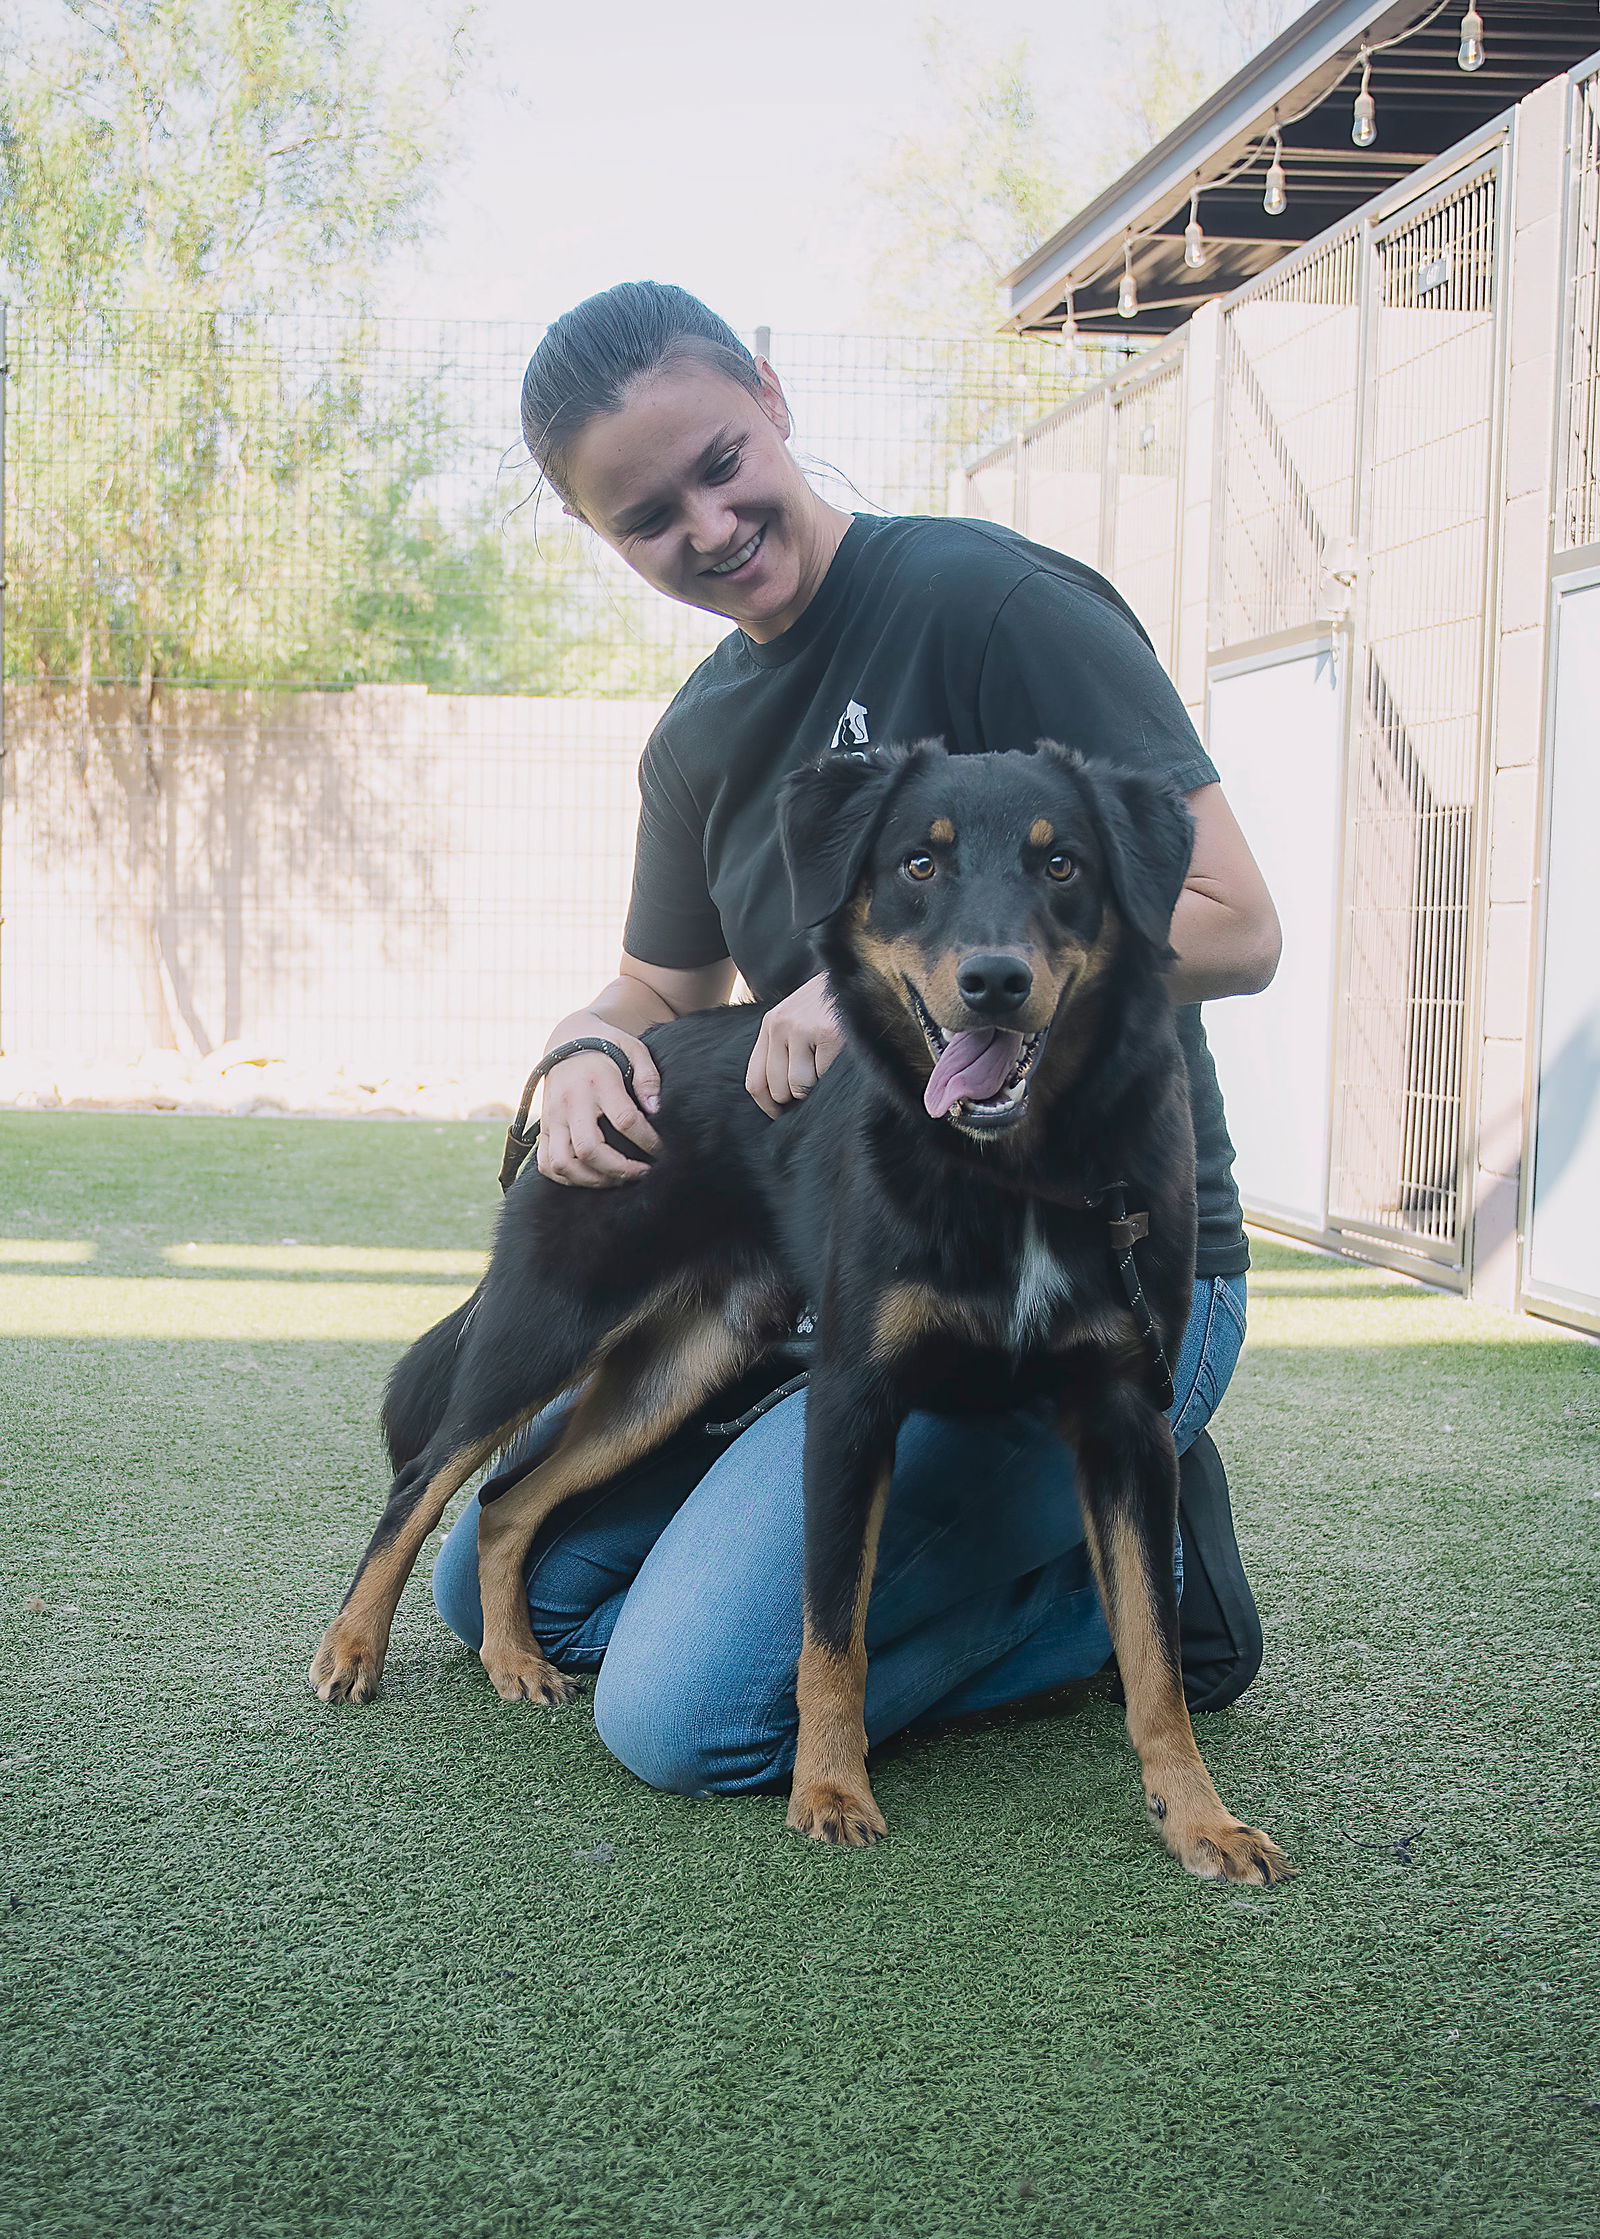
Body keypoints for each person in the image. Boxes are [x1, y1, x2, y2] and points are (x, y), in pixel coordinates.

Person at [431, 280, 1280, 1800]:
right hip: (894, 1269)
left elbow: (1235, 919)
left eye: (716, 462)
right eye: (644, 519)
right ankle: (990, 1572)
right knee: (499, 1591)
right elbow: (660, 993)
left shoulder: (991, 603)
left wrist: (884, 981)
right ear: (598, 537)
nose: (705, 526)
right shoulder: (698, 740)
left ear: (770, 388)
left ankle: (1124, 1602)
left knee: (683, 1721)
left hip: (1119, 1272)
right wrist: (575, 1045)